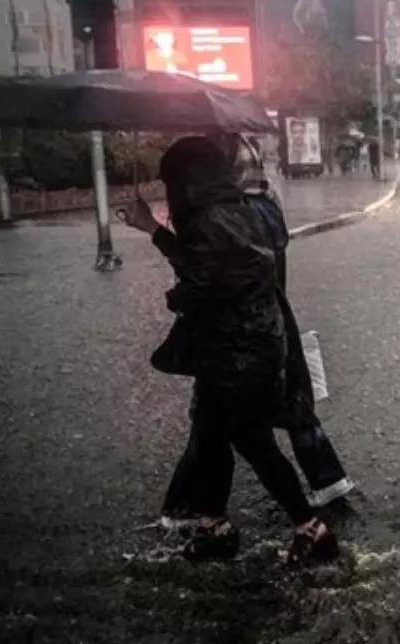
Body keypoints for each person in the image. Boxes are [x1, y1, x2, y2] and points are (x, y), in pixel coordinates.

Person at [126, 137, 338, 566]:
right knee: (210, 434)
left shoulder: (209, 220)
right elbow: (215, 264)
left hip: (236, 355)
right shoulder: (240, 210)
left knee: (250, 441)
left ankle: (310, 529)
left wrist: (174, 290)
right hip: (251, 347)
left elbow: (202, 283)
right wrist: (154, 230)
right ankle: (214, 525)